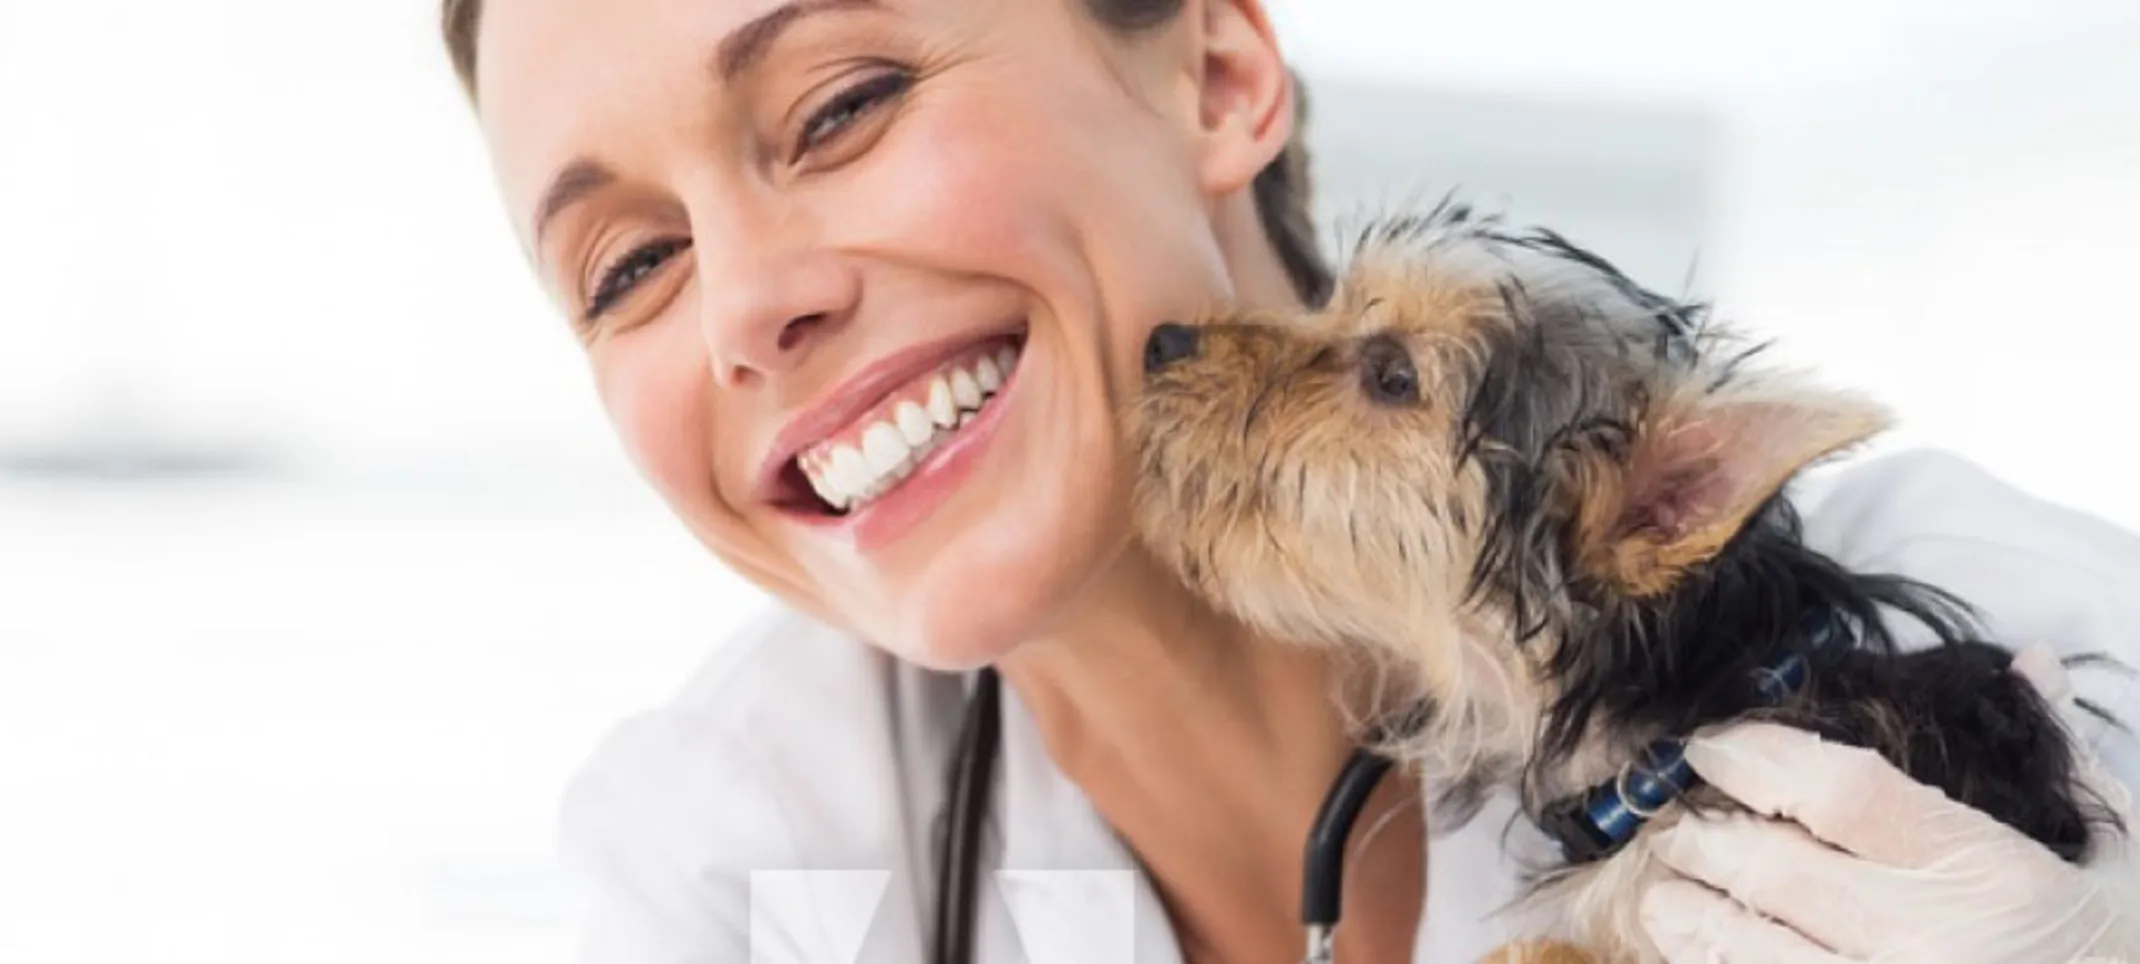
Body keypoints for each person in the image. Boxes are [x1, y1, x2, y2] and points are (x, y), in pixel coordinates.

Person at [440, 0, 2140, 960]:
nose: (748, 306)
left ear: (1220, 72)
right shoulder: (722, 857)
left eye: (841, 106)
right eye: (626, 268)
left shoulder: (2011, 646)